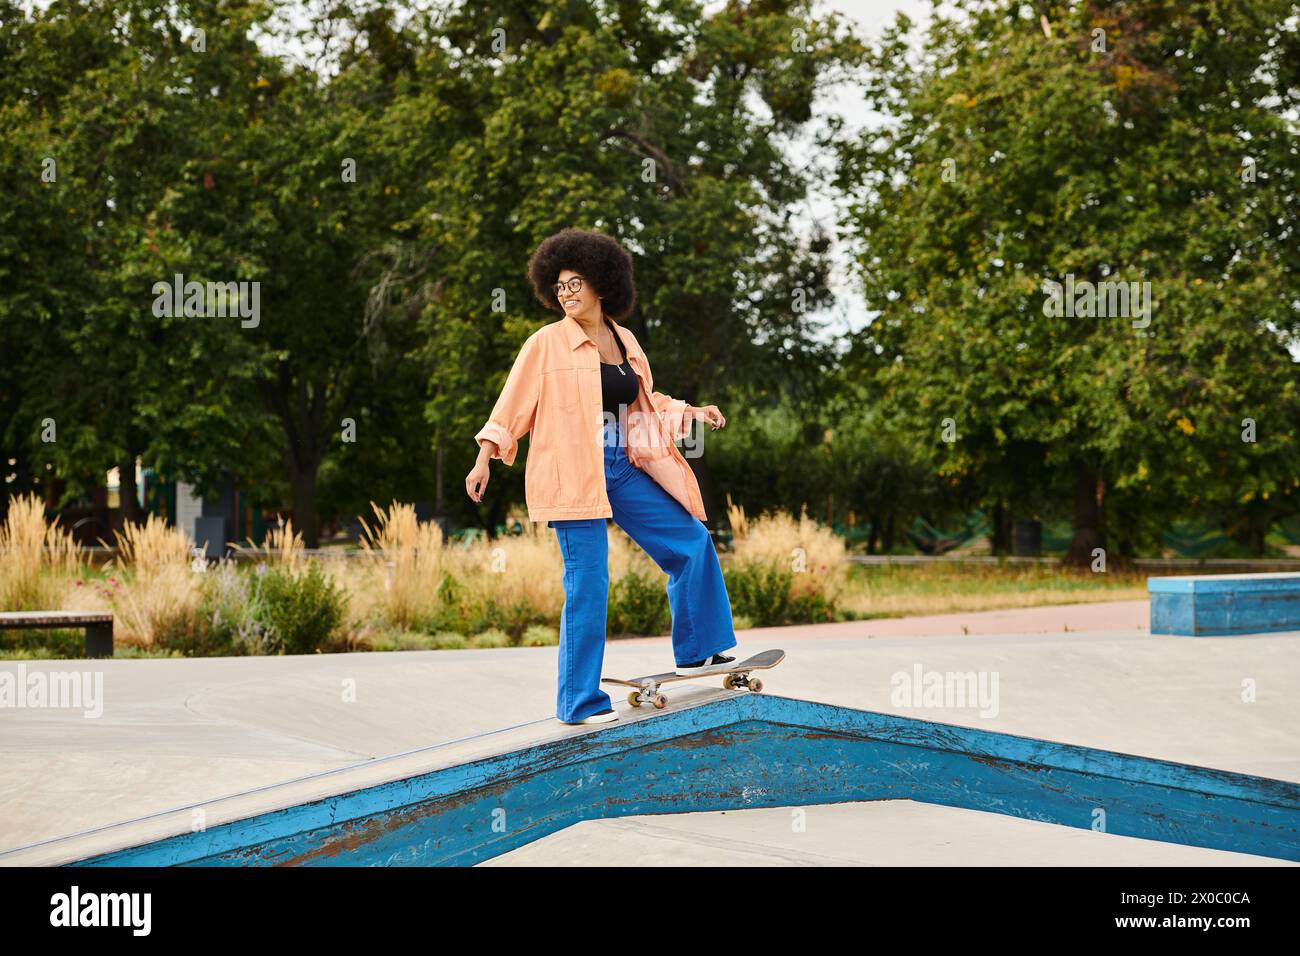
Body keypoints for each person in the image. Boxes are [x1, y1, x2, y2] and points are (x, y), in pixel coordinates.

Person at [466, 228, 739, 724]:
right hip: (573, 472)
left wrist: (691, 412)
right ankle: (578, 702)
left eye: (575, 283)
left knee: (691, 541)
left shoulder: (624, 339)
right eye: (559, 286)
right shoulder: (545, 345)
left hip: (621, 463)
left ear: (601, 284)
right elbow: (511, 408)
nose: (566, 294)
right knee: (589, 583)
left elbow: (644, 403)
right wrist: (485, 455)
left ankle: (701, 648)